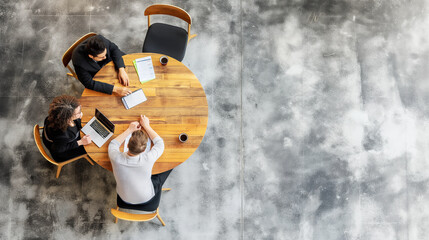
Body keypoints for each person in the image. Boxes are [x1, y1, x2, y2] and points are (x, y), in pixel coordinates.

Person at [108, 115, 171, 205]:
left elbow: (113, 143)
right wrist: (147, 126)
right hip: (147, 197)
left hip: (123, 197)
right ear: (144, 150)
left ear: (127, 145)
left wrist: (129, 130)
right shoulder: (148, 158)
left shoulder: (116, 158)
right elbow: (160, 143)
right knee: (168, 168)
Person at [42, 95, 92, 162]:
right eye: (78, 113)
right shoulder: (64, 134)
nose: (81, 114)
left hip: (57, 140)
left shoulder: (57, 115)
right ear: (68, 118)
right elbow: (57, 149)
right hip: (62, 152)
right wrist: (81, 142)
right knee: (90, 148)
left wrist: (77, 117)